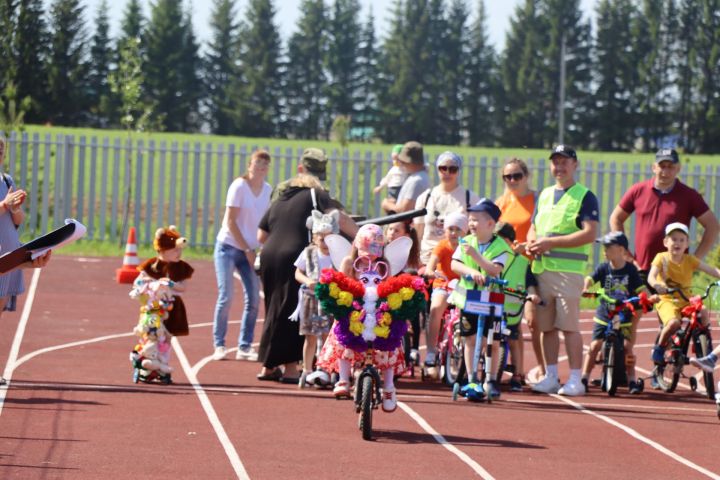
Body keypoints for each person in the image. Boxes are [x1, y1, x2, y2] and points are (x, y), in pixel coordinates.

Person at [256, 148, 357, 383]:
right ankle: (291, 369)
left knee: (274, 310)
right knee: (295, 312)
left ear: (300, 170)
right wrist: (361, 235)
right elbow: (338, 218)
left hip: (270, 254)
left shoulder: (281, 196)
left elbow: (261, 234)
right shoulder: (316, 195)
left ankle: (268, 366)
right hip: (297, 253)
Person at [316, 224, 425, 412]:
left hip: (378, 311)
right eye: (365, 250)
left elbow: (388, 288)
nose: (369, 256)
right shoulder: (349, 263)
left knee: (391, 340)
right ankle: (343, 379)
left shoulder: (385, 265)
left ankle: (389, 387)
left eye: (374, 251)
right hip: (355, 310)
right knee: (341, 332)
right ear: (356, 247)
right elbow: (342, 284)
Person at [527, 145, 599, 397]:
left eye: (564, 162)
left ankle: (576, 379)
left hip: (569, 273)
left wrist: (550, 243)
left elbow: (590, 233)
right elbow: (533, 226)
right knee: (546, 328)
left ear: (575, 165)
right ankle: (551, 375)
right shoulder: (545, 194)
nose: (559, 167)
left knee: (569, 327)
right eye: (555, 162)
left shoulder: (585, 195)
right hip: (543, 269)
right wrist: (533, 242)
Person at [609, 148, 719, 284]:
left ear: (678, 168)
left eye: (671, 167)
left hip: (675, 270)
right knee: (638, 305)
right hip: (641, 269)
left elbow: (713, 226)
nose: (665, 172)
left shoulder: (689, 195)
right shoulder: (638, 191)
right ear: (654, 167)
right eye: (662, 166)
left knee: (673, 306)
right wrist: (624, 254)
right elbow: (616, 218)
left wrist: (695, 260)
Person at [449, 198, 513, 399]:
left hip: (492, 301)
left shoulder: (502, 246)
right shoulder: (466, 242)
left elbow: (494, 269)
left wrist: (476, 256)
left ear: (490, 224)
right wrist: (470, 271)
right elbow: (455, 264)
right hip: (470, 298)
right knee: (469, 338)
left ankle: (491, 379)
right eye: (470, 219)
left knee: (492, 340)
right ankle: (471, 378)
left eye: (476, 219)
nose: (471, 224)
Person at [211, 150, 272, 361]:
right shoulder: (239, 186)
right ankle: (219, 344)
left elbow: (266, 223)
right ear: (249, 165)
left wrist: (259, 248)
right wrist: (246, 248)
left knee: (254, 297)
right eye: (257, 163)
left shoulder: (267, 190)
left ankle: (244, 346)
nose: (261, 168)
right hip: (228, 246)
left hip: (251, 250)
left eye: (265, 164)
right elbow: (230, 221)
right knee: (226, 295)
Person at [0, 137, 51, 384]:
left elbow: (16, 221)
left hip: (7, 260)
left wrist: (15, 209)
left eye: (1, 149)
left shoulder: (6, 180)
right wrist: (4, 204)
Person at [580, 231, 646, 394]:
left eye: (608, 247)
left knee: (627, 347)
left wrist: (649, 297)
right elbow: (591, 278)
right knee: (595, 345)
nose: (605, 250)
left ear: (621, 250)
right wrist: (586, 286)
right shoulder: (603, 267)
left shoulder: (630, 270)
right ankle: (584, 377)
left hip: (624, 312)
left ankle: (631, 381)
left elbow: (641, 288)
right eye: (604, 247)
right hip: (605, 312)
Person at [495, 157, 542, 380]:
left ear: (526, 176)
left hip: (530, 266)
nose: (512, 180)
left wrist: (529, 246)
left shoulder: (536, 199)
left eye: (517, 176)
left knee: (533, 321)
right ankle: (517, 371)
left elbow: (542, 230)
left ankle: (541, 368)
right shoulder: (501, 202)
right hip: (506, 268)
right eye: (507, 176)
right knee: (509, 320)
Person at [649, 222, 720, 364]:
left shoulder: (690, 260)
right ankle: (660, 347)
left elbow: (711, 270)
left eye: (682, 240)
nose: (678, 243)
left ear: (687, 243)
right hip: (667, 299)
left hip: (686, 299)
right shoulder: (661, 258)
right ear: (665, 242)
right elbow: (651, 276)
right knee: (674, 323)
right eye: (674, 239)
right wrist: (657, 285)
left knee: (703, 311)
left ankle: (706, 343)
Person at [292, 210, 340, 387]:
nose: (323, 240)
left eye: (327, 236)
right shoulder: (309, 252)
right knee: (310, 335)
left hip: (330, 300)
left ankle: (328, 368)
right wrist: (307, 281)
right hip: (311, 299)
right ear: (314, 237)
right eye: (320, 236)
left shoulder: (338, 254)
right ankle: (307, 369)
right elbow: (298, 272)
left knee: (329, 335)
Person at [494, 221, 541, 392]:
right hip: (492, 304)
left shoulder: (521, 262)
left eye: (501, 240)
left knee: (513, 339)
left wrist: (532, 295)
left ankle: (517, 375)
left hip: (511, 308)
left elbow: (530, 282)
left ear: (510, 241)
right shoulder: (490, 258)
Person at [414, 151, 479, 266]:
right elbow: (418, 233)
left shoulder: (470, 198)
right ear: (438, 169)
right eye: (443, 168)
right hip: (427, 259)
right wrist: (417, 261)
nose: (447, 173)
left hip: (457, 261)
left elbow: (476, 232)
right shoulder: (425, 197)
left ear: (458, 171)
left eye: (452, 169)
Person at [423, 211, 467, 376]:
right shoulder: (442, 246)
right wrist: (429, 270)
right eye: (451, 229)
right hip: (443, 283)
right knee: (436, 309)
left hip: (462, 285)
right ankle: (430, 351)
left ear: (465, 231)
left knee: (466, 314)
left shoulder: (468, 246)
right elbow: (432, 263)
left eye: (458, 229)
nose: (454, 233)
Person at [385, 221, 422, 363]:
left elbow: (419, 267)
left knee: (415, 308)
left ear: (407, 235)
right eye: (390, 229)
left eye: (396, 230)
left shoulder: (410, 254)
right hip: (387, 290)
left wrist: (423, 273)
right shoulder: (382, 250)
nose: (392, 233)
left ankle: (414, 348)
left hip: (405, 290)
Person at [380, 141, 430, 214]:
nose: (401, 164)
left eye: (403, 161)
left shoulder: (416, 181)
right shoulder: (419, 177)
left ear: (410, 162)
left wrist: (387, 205)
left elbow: (405, 210)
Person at [374, 144, 408, 213]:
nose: (395, 162)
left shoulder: (406, 169)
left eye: (397, 159)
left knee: (400, 203)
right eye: (394, 160)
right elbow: (387, 178)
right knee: (392, 202)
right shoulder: (394, 169)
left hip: (402, 188)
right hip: (392, 189)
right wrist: (380, 187)